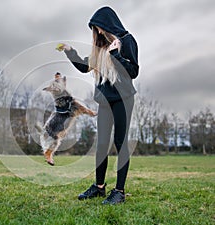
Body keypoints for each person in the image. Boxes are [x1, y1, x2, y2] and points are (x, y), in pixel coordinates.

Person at [58, 6, 139, 205]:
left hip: (123, 100)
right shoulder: (100, 48)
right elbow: (86, 66)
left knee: (121, 143)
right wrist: (70, 52)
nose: (97, 32)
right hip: (104, 102)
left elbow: (133, 71)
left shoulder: (126, 41)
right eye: (95, 29)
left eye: (98, 28)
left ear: (106, 24)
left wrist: (116, 55)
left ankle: (119, 191)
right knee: (102, 145)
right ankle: (99, 187)